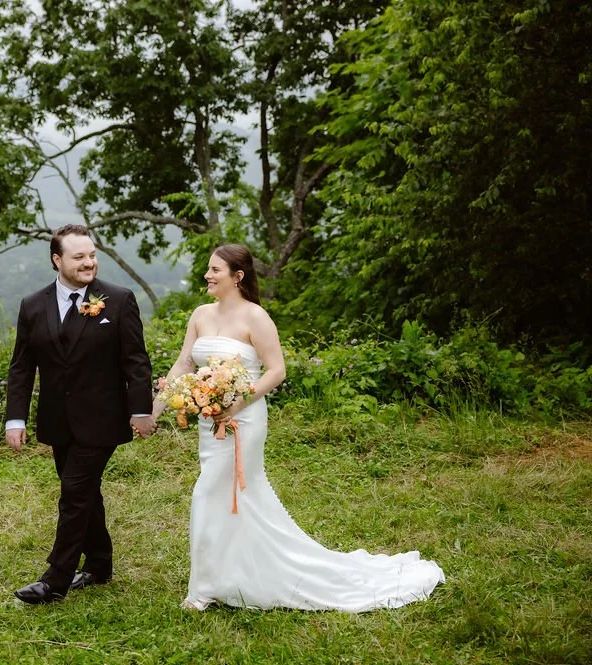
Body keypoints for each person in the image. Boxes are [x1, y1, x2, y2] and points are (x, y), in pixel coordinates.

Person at [154, 244, 445, 611]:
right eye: (208, 270)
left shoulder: (256, 317)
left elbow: (276, 370)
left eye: (215, 270)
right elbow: (184, 364)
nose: (207, 275)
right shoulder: (200, 315)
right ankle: (232, 575)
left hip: (244, 419)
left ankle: (203, 590)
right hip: (211, 422)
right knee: (229, 498)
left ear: (237, 276)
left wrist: (237, 402)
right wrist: (156, 408)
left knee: (209, 492)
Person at [5, 224, 156, 605]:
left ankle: (55, 580)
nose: (89, 262)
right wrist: (15, 418)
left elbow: (136, 361)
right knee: (85, 492)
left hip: (104, 418)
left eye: (92, 255)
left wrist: (141, 410)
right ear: (57, 260)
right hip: (58, 420)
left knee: (74, 493)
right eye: (79, 257)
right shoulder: (32, 305)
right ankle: (100, 564)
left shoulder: (118, 300)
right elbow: (22, 367)